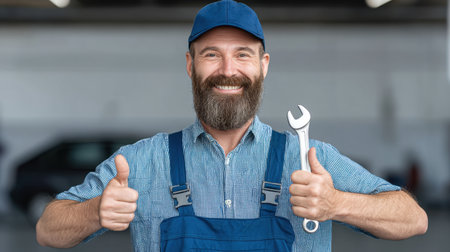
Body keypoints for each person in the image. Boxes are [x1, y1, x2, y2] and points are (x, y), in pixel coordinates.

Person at [36, 0, 428, 251]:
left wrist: (337, 203)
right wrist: (94, 211)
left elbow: (413, 219)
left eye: (243, 54)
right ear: (190, 65)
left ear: (264, 65)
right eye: (211, 55)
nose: (228, 70)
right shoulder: (141, 162)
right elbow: (48, 230)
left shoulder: (310, 159)